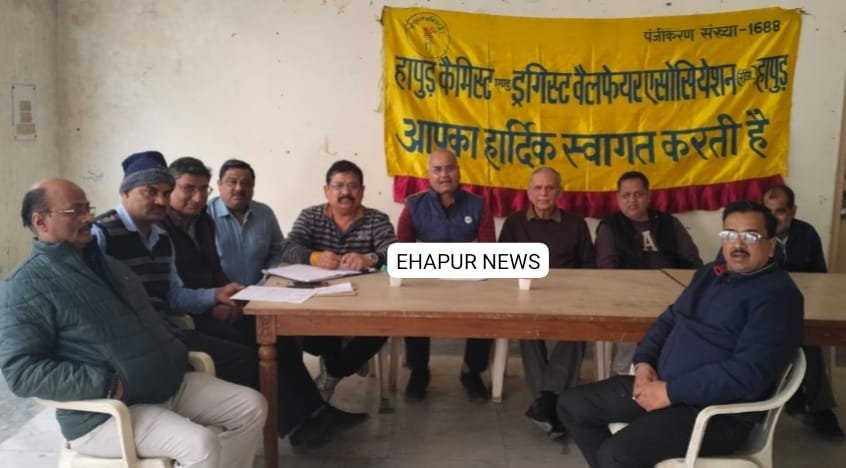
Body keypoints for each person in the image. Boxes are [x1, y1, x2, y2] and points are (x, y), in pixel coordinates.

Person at [0, 178, 267, 467]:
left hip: (164, 384)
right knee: (199, 445)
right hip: (106, 411)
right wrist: (109, 385)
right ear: (40, 221)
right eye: (75, 211)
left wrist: (173, 351)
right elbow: (22, 372)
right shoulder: (24, 286)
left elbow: (152, 319)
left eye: (87, 209)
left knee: (251, 406)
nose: (88, 218)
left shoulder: (112, 267)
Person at [557, 200, 804, 468]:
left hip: (714, 413)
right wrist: (644, 364)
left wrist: (671, 392)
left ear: (771, 246)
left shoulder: (778, 297)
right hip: (664, 384)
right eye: (730, 235)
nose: (738, 245)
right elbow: (670, 319)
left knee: (616, 454)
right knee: (572, 406)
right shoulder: (710, 274)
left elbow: (748, 374)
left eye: (750, 236)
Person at [165, 157, 368, 448]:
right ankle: (296, 424)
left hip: (238, 299)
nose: (197, 197)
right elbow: (173, 292)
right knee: (254, 352)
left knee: (278, 338)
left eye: (201, 189)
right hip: (194, 315)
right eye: (188, 189)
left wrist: (234, 294)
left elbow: (232, 264)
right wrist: (214, 299)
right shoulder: (166, 228)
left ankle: (315, 413)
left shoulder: (202, 222)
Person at [91, 151, 256, 388]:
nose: (161, 201)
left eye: (166, 193)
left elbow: (174, 296)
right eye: (150, 192)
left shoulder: (161, 237)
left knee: (250, 341)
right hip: (126, 342)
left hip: (163, 330)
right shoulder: (100, 233)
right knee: (241, 357)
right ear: (125, 192)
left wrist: (216, 294)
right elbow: (88, 303)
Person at [282, 159, 397, 400]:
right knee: (298, 329)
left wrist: (370, 258)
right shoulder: (311, 216)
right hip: (320, 301)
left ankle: (334, 371)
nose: (345, 192)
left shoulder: (376, 219)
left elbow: (394, 252)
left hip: (366, 303)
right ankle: (349, 356)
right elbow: (288, 247)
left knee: (385, 324)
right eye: (338, 186)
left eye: (353, 186)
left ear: (362, 191)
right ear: (327, 190)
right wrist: (314, 257)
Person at [498, 167, 595, 437]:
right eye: (538, 188)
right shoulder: (514, 223)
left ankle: (545, 401)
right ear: (529, 193)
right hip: (528, 294)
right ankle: (551, 399)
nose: (543, 194)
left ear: (559, 192)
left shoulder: (576, 224)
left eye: (549, 188)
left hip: (569, 295)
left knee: (578, 328)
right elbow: (501, 265)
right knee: (527, 328)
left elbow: (590, 267)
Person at [396, 148, 496, 401]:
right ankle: (419, 370)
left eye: (450, 168)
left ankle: (471, 370)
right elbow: (401, 250)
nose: (444, 175)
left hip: (469, 278)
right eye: (437, 169)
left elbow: (489, 250)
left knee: (489, 306)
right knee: (412, 304)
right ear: (428, 174)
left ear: (458, 172)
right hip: (428, 278)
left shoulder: (478, 204)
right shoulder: (413, 205)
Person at [595, 171, 702, 375]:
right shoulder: (609, 227)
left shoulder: (668, 222)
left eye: (638, 194)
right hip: (629, 296)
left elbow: (692, 260)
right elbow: (607, 269)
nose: (632, 200)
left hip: (672, 293)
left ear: (648, 196)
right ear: (618, 198)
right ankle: (624, 373)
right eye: (626, 195)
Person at [762, 184, 844, 441]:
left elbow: (820, 278)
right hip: (762, 307)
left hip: (799, 305)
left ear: (793, 210)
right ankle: (788, 395)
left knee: (809, 342)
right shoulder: (754, 234)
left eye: (780, 211)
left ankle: (820, 409)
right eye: (768, 211)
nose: (774, 218)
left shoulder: (806, 233)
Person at [207, 159, 288, 286]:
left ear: (253, 186)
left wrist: (268, 278)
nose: (239, 188)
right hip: (219, 293)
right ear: (219, 184)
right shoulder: (204, 214)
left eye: (246, 183)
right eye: (232, 182)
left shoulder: (265, 213)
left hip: (261, 290)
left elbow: (278, 250)